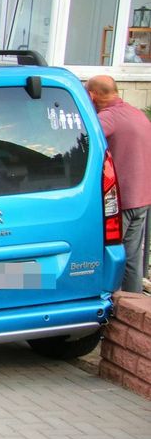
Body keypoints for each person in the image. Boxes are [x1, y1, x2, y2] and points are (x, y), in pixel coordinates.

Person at [86, 75, 151, 292]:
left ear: (91, 96)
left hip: (119, 202)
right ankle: (134, 304)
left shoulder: (108, 118)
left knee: (105, 255)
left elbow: (83, 142)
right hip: (142, 199)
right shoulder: (137, 114)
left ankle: (104, 301)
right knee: (131, 258)